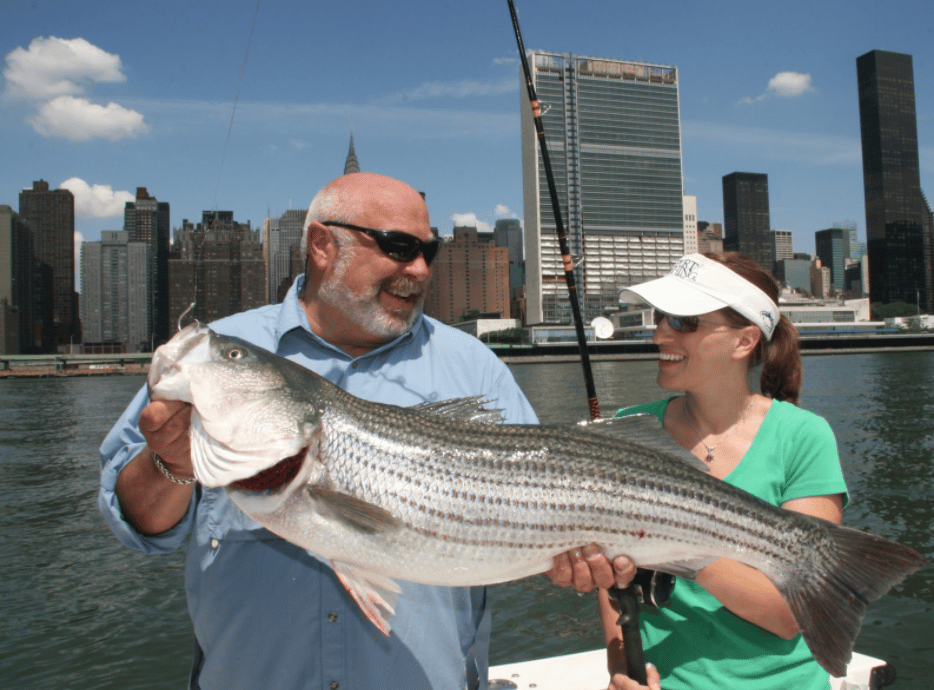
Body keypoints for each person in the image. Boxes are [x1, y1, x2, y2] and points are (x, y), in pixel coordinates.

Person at [99, 172, 631, 690]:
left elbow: (548, 499)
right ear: (322, 246)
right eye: (398, 247)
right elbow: (138, 525)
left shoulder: (473, 364)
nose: (420, 270)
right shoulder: (223, 357)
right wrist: (170, 463)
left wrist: (579, 556)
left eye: (430, 251)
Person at [600, 252, 848, 690]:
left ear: (744, 340)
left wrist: (677, 533)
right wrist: (621, 667)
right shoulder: (628, 427)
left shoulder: (805, 437)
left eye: (682, 321)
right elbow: (610, 577)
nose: (657, 333)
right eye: (660, 317)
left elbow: (792, 614)